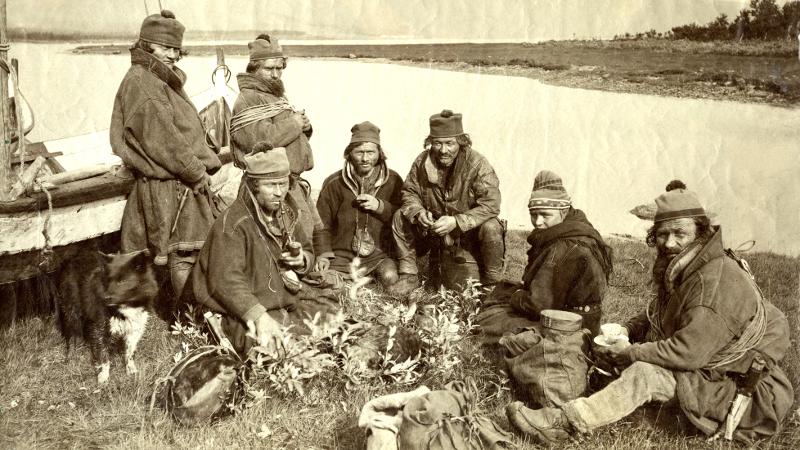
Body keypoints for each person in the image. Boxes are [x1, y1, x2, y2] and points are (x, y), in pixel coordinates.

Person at [506, 188, 794, 445]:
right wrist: (628, 330)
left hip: (744, 393)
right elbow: (660, 312)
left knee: (645, 373)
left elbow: (687, 353)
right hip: (711, 374)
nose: (668, 243)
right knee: (611, 354)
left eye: (680, 233)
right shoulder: (691, 268)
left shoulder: (712, 285)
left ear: (701, 232)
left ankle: (564, 424)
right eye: (663, 234)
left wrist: (631, 353)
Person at [110, 10, 222, 298]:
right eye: (166, 48)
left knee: (189, 249)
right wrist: (196, 172)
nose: (173, 55)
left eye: (176, 49)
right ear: (147, 45)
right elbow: (164, 139)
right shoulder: (143, 82)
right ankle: (189, 315)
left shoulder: (153, 77)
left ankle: (186, 311)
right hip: (170, 183)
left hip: (177, 180)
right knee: (184, 251)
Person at [184, 149, 338, 354]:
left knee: (334, 321)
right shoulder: (235, 223)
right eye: (270, 185)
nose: (279, 192)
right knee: (278, 349)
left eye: (283, 184)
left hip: (278, 301)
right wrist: (259, 317)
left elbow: (308, 250)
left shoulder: (286, 214)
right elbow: (225, 281)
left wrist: (302, 260)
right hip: (236, 310)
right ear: (254, 186)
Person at [475, 170, 612, 339]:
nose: (538, 222)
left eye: (545, 215)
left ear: (563, 212)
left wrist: (515, 296)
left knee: (487, 319)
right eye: (534, 215)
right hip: (587, 321)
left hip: (568, 328)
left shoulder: (563, 247)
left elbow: (537, 305)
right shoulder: (579, 226)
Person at [229, 33, 327, 252]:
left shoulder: (273, 95)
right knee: (279, 240)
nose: (275, 74)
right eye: (269, 69)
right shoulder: (249, 99)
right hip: (270, 184)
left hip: (290, 182)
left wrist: (304, 127)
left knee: (307, 231)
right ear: (254, 68)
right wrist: (294, 124)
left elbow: (281, 135)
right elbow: (258, 142)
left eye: (279, 68)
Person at [390, 109, 503, 294]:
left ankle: (492, 283)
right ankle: (409, 275)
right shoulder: (421, 161)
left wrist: (457, 221)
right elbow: (409, 192)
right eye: (437, 143)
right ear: (430, 143)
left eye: (450, 143)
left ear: (461, 141)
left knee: (492, 226)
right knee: (399, 216)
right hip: (433, 232)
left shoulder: (477, 164)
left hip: (467, 235)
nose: (443, 150)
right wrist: (418, 212)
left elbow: (491, 204)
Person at [315, 122, 403, 287]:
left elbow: (403, 217)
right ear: (349, 154)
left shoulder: (393, 180)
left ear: (379, 153)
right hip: (341, 256)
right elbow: (321, 223)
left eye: (370, 152)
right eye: (359, 152)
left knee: (390, 277)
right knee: (327, 283)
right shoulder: (334, 183)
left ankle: (365, 281)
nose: (365, 158)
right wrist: (323, 254)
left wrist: (380, 206)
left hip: (378, 256)